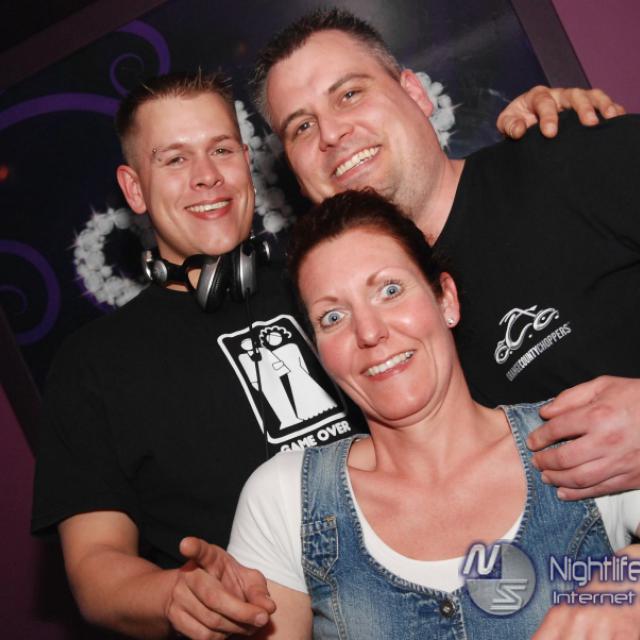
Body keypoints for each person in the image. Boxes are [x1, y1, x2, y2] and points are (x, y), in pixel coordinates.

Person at [31, 70, 623, 640]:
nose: (206, 176)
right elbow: (95, 569)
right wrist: (172, 596)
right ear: (134, 188)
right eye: (175, 159)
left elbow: (434, 193)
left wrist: (545, 138)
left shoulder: (327, 270)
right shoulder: (95, 365)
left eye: (222, 150)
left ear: (248, 161)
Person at [252, 7, 640, 501]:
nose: (330, 134)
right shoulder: (344, 336)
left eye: (349, 94)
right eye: (302, 127)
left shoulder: (565, 158)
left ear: (416, 94)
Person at [228, 189, 640, 639]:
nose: (369, 332)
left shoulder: (579, 439)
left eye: (389, 290)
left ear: (446, 300)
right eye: (332, 317)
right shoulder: (286, 498)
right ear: (318, 352)